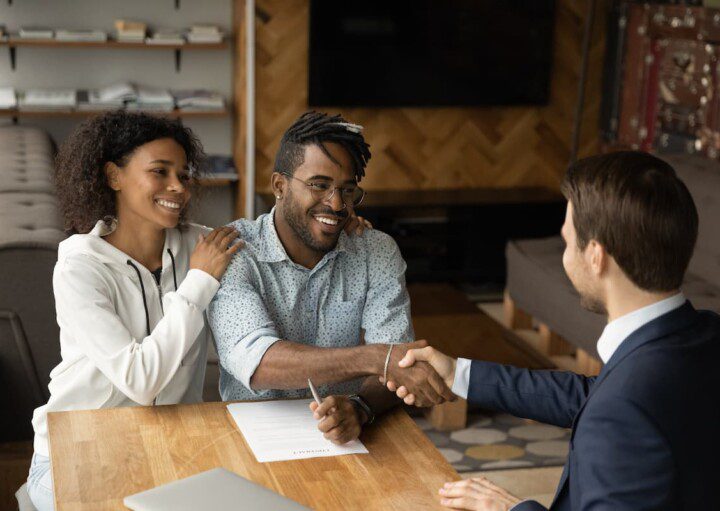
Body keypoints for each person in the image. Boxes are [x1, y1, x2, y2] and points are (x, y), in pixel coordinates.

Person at [385, 151, 720, 510]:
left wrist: (509, 508)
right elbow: (594, 396)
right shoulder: (704, 334)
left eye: (566, 241)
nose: (564, 255)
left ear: (596, 256)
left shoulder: (621, 411)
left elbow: (614, 406)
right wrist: (458, 375)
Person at [26, 111, 242, 511]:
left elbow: (271, 240)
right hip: (76, 454)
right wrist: (198, 282)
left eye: (184, 173)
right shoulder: (79, 266)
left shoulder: (200, 246)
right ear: (114, 177)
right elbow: (140, 380)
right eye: (160, 172)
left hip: (169, 448)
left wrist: (342, 228)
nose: (178, 187)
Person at [208, 111, 453, 445]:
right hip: (254, 437)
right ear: (279, 185)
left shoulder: (375, 251)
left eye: (347, 190)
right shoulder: (234, 252)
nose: (337, 204)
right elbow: (258, 362)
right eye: (319, 185)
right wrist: (376, 358)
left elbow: (399, 366)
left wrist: (361, 407)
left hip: (351, 439)